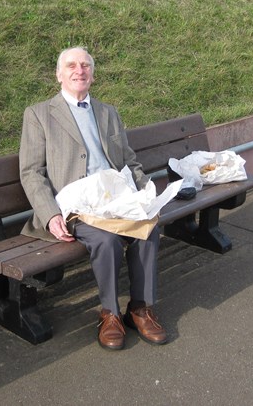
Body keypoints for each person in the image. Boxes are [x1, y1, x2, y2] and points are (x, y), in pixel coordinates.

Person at [19, 47, 167, 350]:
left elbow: (129, 162)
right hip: (76, 206)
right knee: (106, 241)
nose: (79, 70)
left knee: (148, 227)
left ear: (93, 75)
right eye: (71, 65)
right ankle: (110, 313)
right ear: (59, 75)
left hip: (115, 197)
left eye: (85, 65)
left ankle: (140, 308)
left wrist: (146, 194)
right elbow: (31, 172)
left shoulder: (108, 112)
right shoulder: (39, 114)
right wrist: (49, 214)